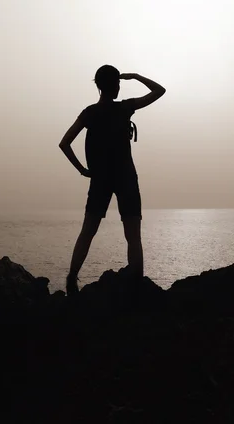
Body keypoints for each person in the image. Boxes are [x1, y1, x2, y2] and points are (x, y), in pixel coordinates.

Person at [59, 65, 166, 295]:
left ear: (98, 86)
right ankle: (137, 284)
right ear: (116, 85)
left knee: (87, 231)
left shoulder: (89, 113)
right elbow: (159, 91)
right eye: (118, 83)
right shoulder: (125, 107)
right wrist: (135, 76)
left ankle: (71, 281)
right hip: (126, 177)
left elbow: (65, 143)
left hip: (99, 179)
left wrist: (83, 170)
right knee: (133, 235)